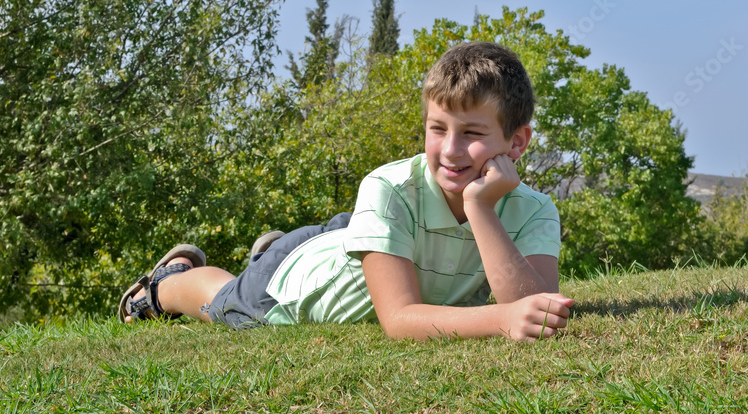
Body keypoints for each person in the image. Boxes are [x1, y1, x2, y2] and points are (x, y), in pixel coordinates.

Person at [118, 41, 573, 341]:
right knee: (223, 304)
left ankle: (271, 249)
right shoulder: (389, 187)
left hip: (351, 242)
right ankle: (164, 284)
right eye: (437, 129)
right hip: (291, 287)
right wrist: (499, 320)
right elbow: (399, 320)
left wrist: (480, 209)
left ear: (517, 142)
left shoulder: (534, 210)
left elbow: (536, 306)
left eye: (471, 132)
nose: (450, 150)